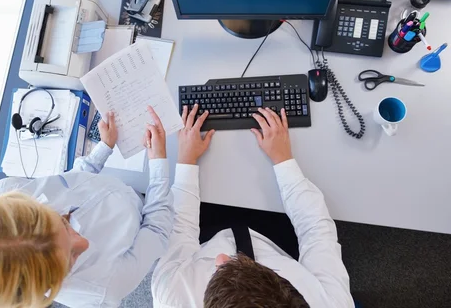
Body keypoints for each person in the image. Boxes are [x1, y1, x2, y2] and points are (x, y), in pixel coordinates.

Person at [0, 107, 173, 308]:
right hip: (153, 216)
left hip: (125, 184)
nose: (85, 243)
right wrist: (159, 163)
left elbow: (67, 181)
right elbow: (157, 231)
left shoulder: (8, 192)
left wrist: (102, 149)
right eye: (71, 259)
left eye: (62, 220)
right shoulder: (102, 290)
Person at [152, 105, 354, 308]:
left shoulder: (171, 293)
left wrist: (186, 159)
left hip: (205, 237)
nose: (222, 257)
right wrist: (283, 159)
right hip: (275, 241)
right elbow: (316, 230)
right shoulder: (331, 302)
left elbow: (180, 230)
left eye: (217, 272)